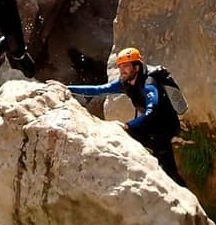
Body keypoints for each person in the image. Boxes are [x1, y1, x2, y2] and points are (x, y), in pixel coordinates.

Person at [68, 46, 183, 184]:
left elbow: (152, 109)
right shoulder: (126, 82)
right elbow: (99, 90)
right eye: (120, 66)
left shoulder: (149, 83)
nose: (122, 70)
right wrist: (68, 88)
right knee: (156, 161)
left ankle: (183, 197)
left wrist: (128, 125)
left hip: (164, 127)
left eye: (126, 66)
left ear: (137, 67)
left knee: (168, 169)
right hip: (150, 124)